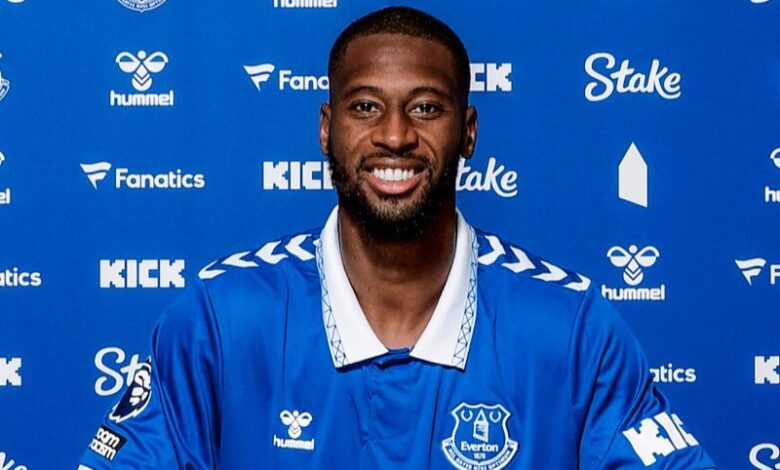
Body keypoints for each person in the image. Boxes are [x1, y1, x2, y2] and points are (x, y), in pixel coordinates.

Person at [78, 6, 717, 470]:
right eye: (365, 107)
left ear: (468, 132)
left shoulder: (571, 329)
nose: (394, 135)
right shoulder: (220, 320)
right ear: (325, 129)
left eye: (426, 107)